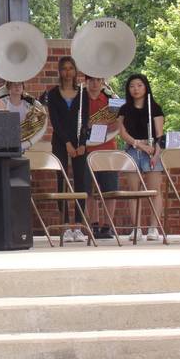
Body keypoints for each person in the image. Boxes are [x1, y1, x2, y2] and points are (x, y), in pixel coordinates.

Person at [117, 73, 164, 241]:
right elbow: (122, 132)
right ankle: (136, 228)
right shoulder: (124, 109)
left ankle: (153, 228)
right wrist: (139, 144)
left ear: (145, 87)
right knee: (133, 190)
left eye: (139, 85)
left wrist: (155, 152)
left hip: (151, 150)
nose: (135, 89)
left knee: (154, 190)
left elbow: (159, 134)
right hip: (133, 149)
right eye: (132, 86)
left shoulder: (155, 107)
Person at [45, 56, 87, 243]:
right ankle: (65, 226)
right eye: (64, 68)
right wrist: (68, 143)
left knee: (81, 181)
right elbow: (56, 122)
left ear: (75, 71)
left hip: (80, 143)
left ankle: (78, 225)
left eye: (71, 68)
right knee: (62, 181)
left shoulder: (82, 92)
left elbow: (85, 120)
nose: (68, 72)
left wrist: (82, 143)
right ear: (60, 72)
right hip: (61, 142)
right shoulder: (53, 94)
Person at [84, 75, 119, 239]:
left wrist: (105, 123)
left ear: (102, 81)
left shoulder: (112, 97)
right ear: (86, 81)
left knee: (109, 188)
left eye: (98, 80)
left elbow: (120, 122)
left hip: (108, 147)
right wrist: (87, 124)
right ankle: (94, 224)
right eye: (91, 80)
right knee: (89, 189)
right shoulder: (81, 98)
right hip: (87, 148)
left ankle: (108, 226)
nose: (95, 83)